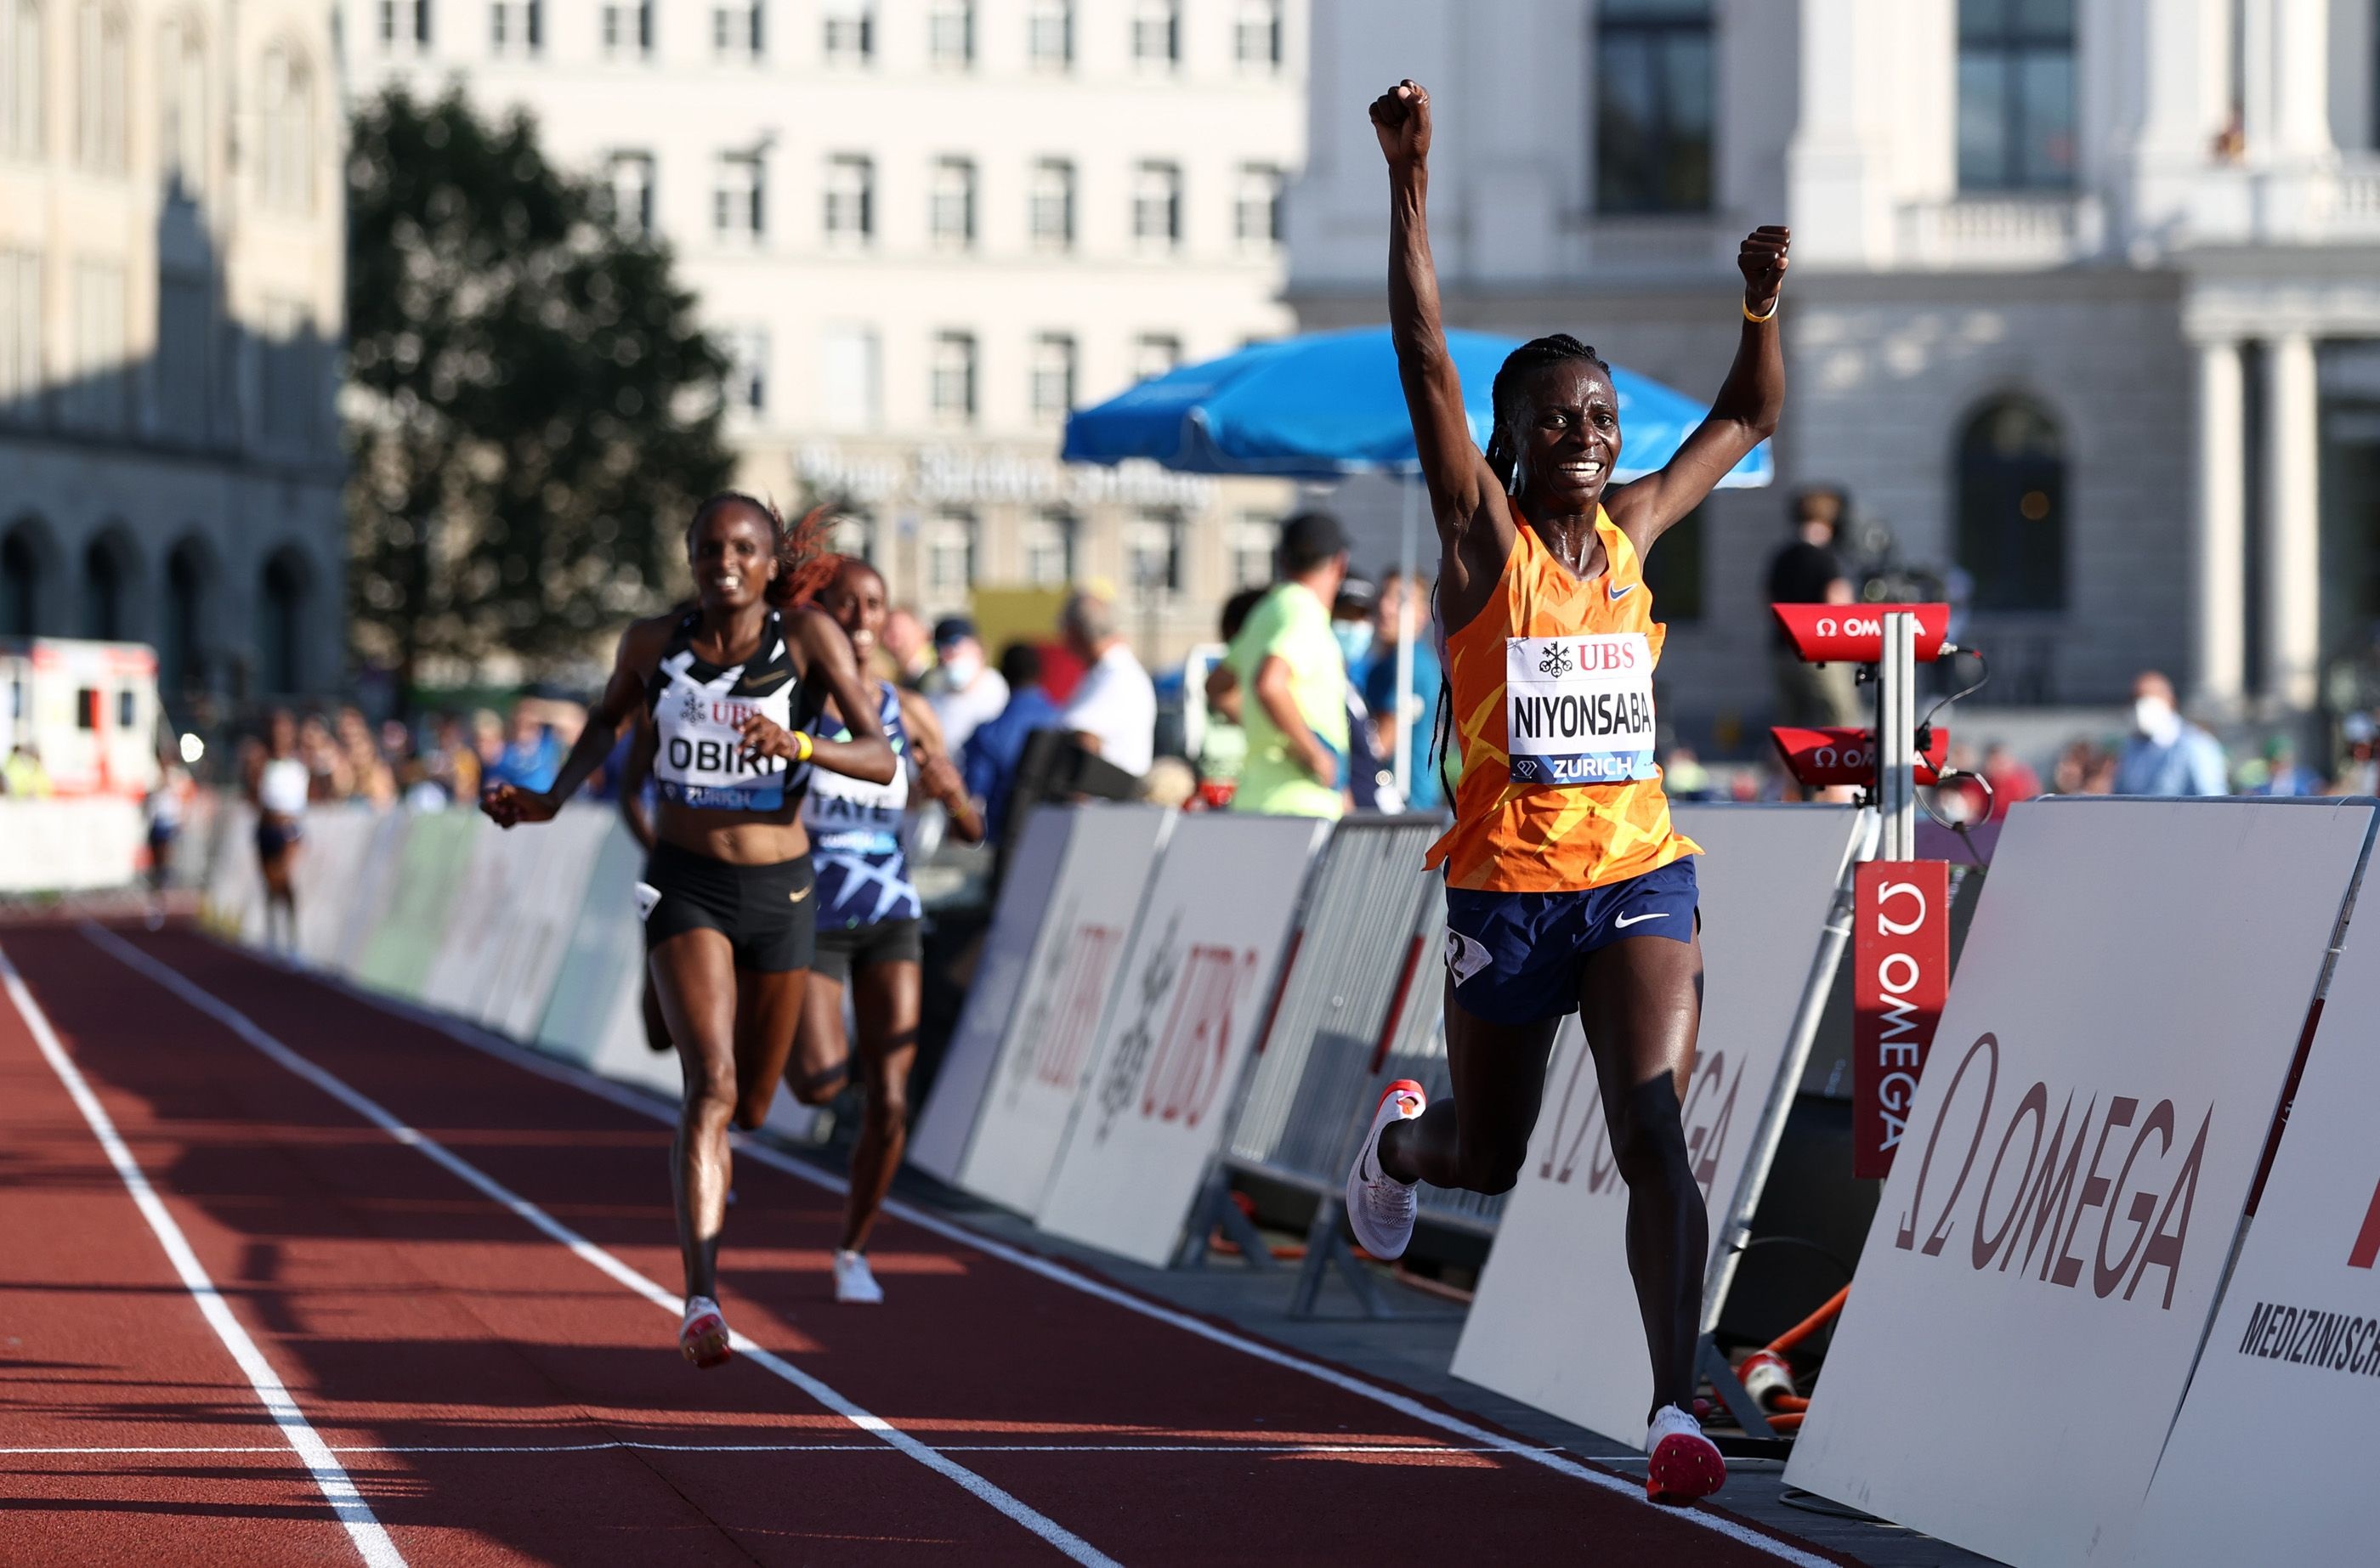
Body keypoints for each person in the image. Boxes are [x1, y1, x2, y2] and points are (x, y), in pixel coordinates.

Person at [1348, 78, 1788, 1506]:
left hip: (1638, 875)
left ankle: (1674, 1409)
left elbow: (1742, 417)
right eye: (1559, 420)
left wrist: (1760, 309)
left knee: (1652, 1126)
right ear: (1513, 440)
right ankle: (1400, 1139)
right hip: (1506, 887)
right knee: (1486, 1153)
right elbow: (1421, 353)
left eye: (1598, 414)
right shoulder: (1483, 540)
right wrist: (1412, 180)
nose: (1589, 435)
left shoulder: (1638, 523)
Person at [482, 494, 894, 1369]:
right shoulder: (650, 643)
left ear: (771, 562)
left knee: (748, 1103)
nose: (725, 563)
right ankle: (701, 1297)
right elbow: (606, 726)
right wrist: (549, 799)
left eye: (744, 548)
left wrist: (801, 751)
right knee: (707, 1087)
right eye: (710, 548)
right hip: (686, 882)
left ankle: (709, 1097)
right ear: (690, 556)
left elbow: (880, 755)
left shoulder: (809, 638)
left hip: (782, 890)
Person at [782, 558, 983, 1303]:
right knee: (819, 1084)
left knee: (892, 1098)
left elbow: (968, 828)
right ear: (822, 616)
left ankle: (854, 1246)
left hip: (890, 909)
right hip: (812, 910)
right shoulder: (795, 705)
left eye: (875, 606)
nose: (863, 620)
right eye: (847, 606)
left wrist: (952, 796)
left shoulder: (909, 711)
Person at [1214, 512, 1355, 819]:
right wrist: (1314, 754)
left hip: (1256, 798)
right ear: (1339, 564)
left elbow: (1218, 688)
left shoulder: (1265, 610)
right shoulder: (1304, 610)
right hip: (1299, 805)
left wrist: (1266, 729)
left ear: (1283, 561)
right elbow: (1270, 684)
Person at [1765, 487, 1859, 728]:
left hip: (1783, 650)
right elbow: (1837, 600)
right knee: (1839, 720)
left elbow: (1766, 600)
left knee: (1791, 728)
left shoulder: (1782, 557)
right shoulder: (1827, 558)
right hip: (1821, 653)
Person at [961, 642, 1063, 840]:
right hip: (1055, 834)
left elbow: (974, 790)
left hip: (1006, 840)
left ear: (1004, 674)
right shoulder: (1063, 721)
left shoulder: (988, 734)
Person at [1364, 571, 1446, 812]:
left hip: (1407, 805)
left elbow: (1380, 744)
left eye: (1399, 601)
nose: (1384, 607)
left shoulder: (1411, 665)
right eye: (1382, 597)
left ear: (1421, 615)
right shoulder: (1383, 665)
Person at [1057, 591, 1154, 778]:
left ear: (1075, 633)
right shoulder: (1106, 672)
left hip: (1105, 802)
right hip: (1106, 800)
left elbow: (1084, 736)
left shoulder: (1118, 675)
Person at [247, 710, 310, 953]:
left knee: (286, 879)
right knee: (271, 883)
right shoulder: (262, 763)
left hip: (289, 830)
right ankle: (273, 934)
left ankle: (294, 939)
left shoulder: (297, 764)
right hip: (266, 828)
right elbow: (254, 796)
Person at [2111, 671, 2227, 796]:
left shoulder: (2196, 744)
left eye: (2146, 699)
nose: (2138, 706)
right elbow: (2121, 794)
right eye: (2134, 700)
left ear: (2169, 700)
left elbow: (2212, 798)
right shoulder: (2132, 746)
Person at [925, 616, 1009, 759]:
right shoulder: (933, 693)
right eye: (940, 648)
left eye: (954, 645)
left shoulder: (996, 690)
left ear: (977, 647)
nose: (947, 655)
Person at [880, 605, 934, 689]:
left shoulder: (935, 669)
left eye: (901, 632)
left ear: (923, 632)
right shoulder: (893, 675)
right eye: (886, 631)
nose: (894, 642)